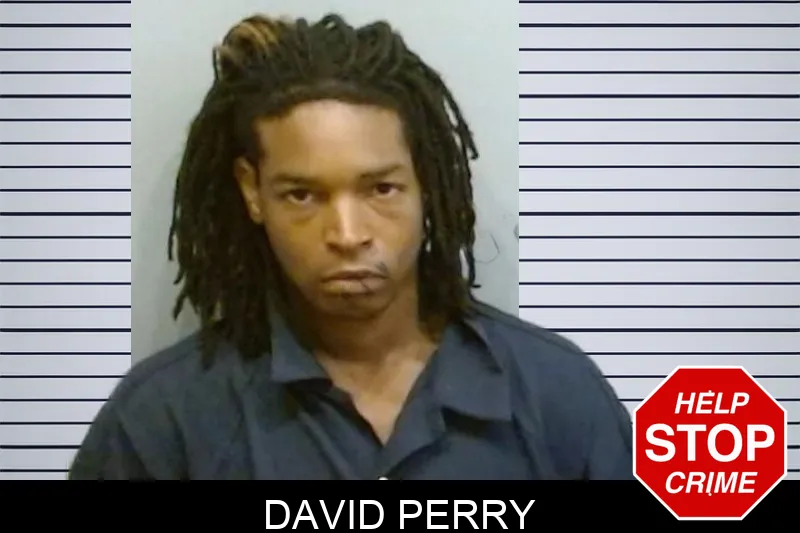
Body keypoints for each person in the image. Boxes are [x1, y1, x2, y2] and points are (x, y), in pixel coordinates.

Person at [69, 13, 633, 480]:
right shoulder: (163, 421)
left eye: (380, 189)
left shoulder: (556, 394)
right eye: (301, 195)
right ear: (252, 192)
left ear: (426, 184)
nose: (347, 234)